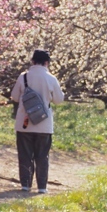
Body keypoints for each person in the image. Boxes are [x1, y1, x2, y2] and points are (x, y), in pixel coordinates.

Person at [10, 50, 64, 194]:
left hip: (24, 123)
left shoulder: (24, 77)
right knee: (42, 156)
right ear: (47, 63)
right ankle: (42, 187)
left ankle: (25, 185)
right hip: (44, 124)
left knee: (25, 155)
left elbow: (14, 97)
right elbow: (59, 100)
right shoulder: (51, 78)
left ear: (32, 61)